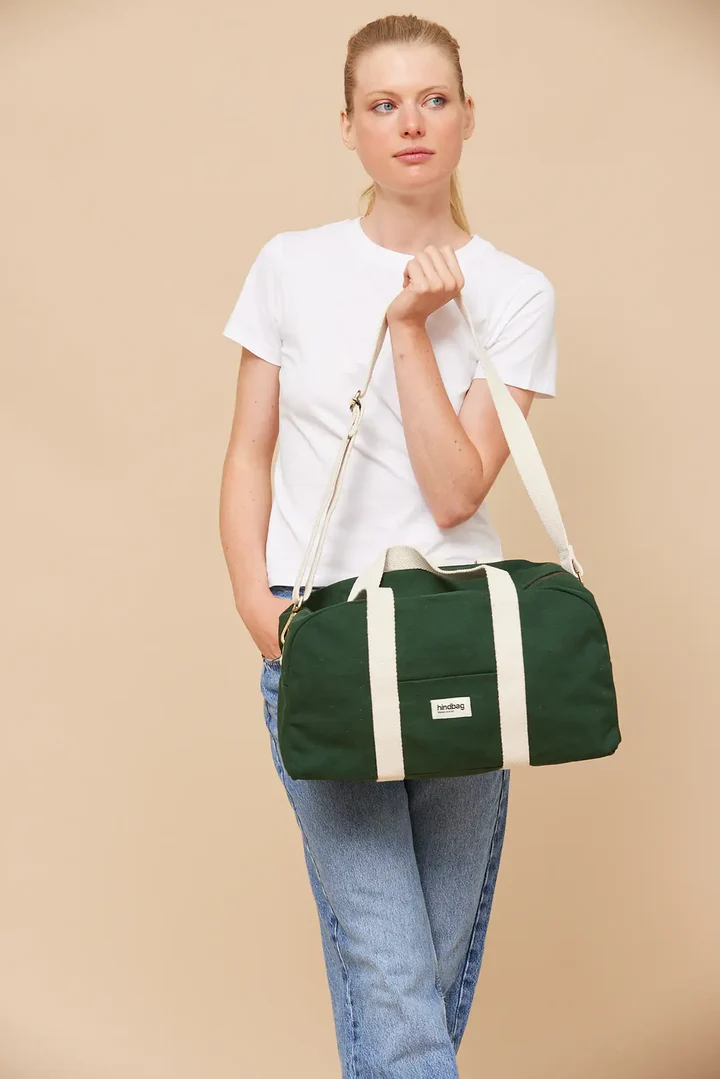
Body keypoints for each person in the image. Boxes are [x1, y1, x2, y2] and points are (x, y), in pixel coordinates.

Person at [219, 14, 558, 1077]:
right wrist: (260, 609)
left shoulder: (516, 292)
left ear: (467, 119)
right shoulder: (290, 266)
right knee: (394, 971)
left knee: (420, 975)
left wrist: (411, 328)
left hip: (459, 642)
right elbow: (247, 452)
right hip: (323, 638)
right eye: (384, 104)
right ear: (350, 127)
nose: (410, 123)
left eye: (432, 99)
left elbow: (455, 493)